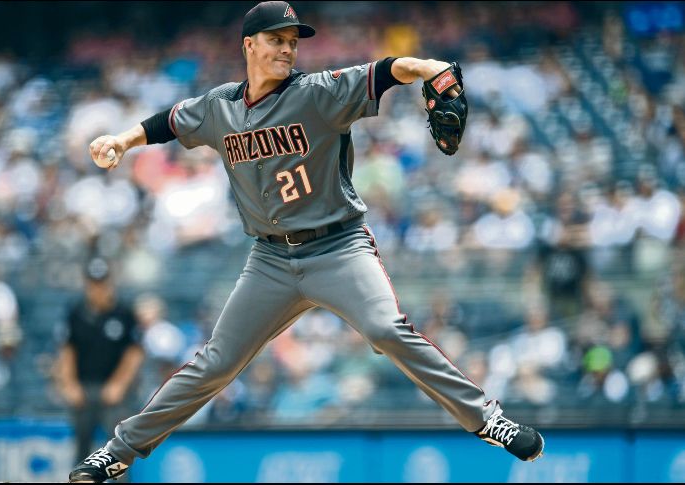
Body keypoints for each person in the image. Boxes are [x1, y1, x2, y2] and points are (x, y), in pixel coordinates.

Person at [69, 2, 544, 481]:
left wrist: (426, 67)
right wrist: (122, 140)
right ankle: (117, 451)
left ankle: (488, 419)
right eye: (276, 40)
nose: (287, 49)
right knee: (215, 363)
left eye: (293, 42)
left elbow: (384, 72)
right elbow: (169, 122)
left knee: (386, 329)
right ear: (249, 45)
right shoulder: (220, 106)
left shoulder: (317, 92)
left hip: (338, 248)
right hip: (270, 259)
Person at [58, 257, 145, 472]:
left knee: (118, 449)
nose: (98, 288)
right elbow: (68, 350)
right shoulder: (76, 312)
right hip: (84, 388)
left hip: (114, 392)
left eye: (102, 283)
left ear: (109, 282)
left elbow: (134, 353)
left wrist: (119, 385)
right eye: (93, 283)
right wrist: (69, 384)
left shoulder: (124, 312)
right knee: (82, 447)